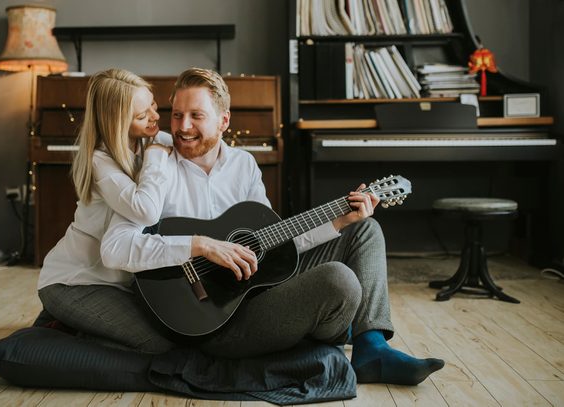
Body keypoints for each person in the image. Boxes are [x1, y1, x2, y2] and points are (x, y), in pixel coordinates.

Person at [99, 67, 445, 386]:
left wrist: (341, 220)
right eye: (176, 115)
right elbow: (115, 247)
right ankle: (323, 328)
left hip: (257, 290)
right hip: (214, 319)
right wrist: (201, 245)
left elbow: (272, 246)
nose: (182, 126)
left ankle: (372, 348)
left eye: (196, 116)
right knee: (339, 280)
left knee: (364, 231)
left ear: (223, 121)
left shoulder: (243, 165)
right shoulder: (157, 168)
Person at [37, 68, 173, 330]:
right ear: (118, 123)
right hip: (79, 279)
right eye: (143, 116)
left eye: (153, 105)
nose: (156, 117)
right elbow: (146, 211)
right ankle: (58, 326)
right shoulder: (101, 161)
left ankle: (63, 323)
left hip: (119, 279)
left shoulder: (146, 139)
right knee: (150, 341)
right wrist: (156, 156)